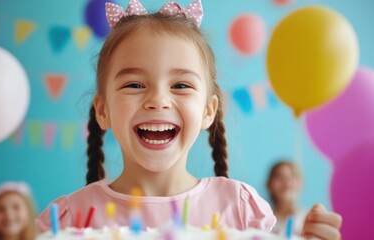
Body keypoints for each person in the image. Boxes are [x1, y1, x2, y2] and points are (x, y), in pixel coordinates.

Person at [36, 0, 342, 239]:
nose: (158, 100)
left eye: (180, 85)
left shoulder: (240, 208)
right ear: (102, 111)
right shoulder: (66, 219)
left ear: (209, 110)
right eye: (134, 84)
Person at [267, 160, 306, 235]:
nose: (287, 183)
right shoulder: (264, 221)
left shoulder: (308, 219)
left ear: (300, 184)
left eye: (292, 177)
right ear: (269, 184)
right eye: (280, 177)